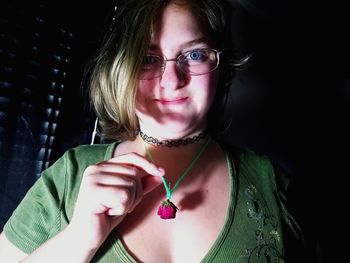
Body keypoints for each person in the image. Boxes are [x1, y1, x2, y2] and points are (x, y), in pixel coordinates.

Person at [0, 0, 304, 262]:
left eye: (194, 54)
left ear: (219, 65)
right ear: (122, 68)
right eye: (147, 58)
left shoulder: (276, 187)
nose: (172, 80)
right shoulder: (67, 177)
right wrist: (78, 238)